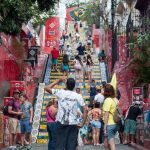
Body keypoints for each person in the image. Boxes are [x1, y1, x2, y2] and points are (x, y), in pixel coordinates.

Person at [44, 77, 87, 150]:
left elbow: (46, 88)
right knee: (71, 147)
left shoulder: (61, 92)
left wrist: (58, 80)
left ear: (66, 85)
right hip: (73, 124)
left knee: (59, 146)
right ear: (74, 86)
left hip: (61, 123)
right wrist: (83, 123)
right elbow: (85, 109)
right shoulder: (78, 96)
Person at [103, 84, 119, 150]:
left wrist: (105, 127)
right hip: (115, 123)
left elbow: (106, 114)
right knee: (106, 142)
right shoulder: (115, 99)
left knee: (112, 144)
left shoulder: (108, 100)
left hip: (110, 124)